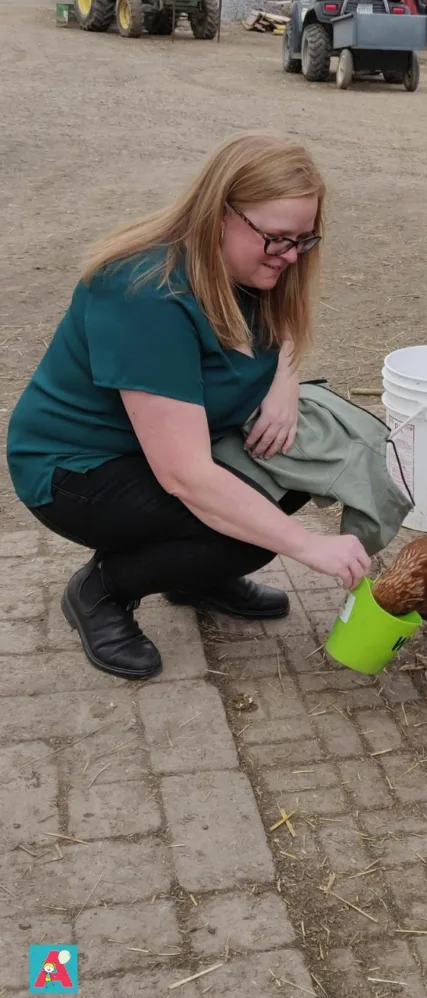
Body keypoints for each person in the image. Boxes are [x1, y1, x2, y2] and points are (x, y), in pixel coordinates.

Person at [6, 132, 371, 682]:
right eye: (277, 239)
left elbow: (286, 332)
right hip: (78, 469)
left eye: (304, 240)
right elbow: (186, 476)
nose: (291, 257)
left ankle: (193, 578)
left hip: (167, 449)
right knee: (243, 534)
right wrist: (309, 548)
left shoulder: (254, 267)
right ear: (220, 213)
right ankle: (101, 590)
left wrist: (284, 385)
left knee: (294, 464)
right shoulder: (145, 294)